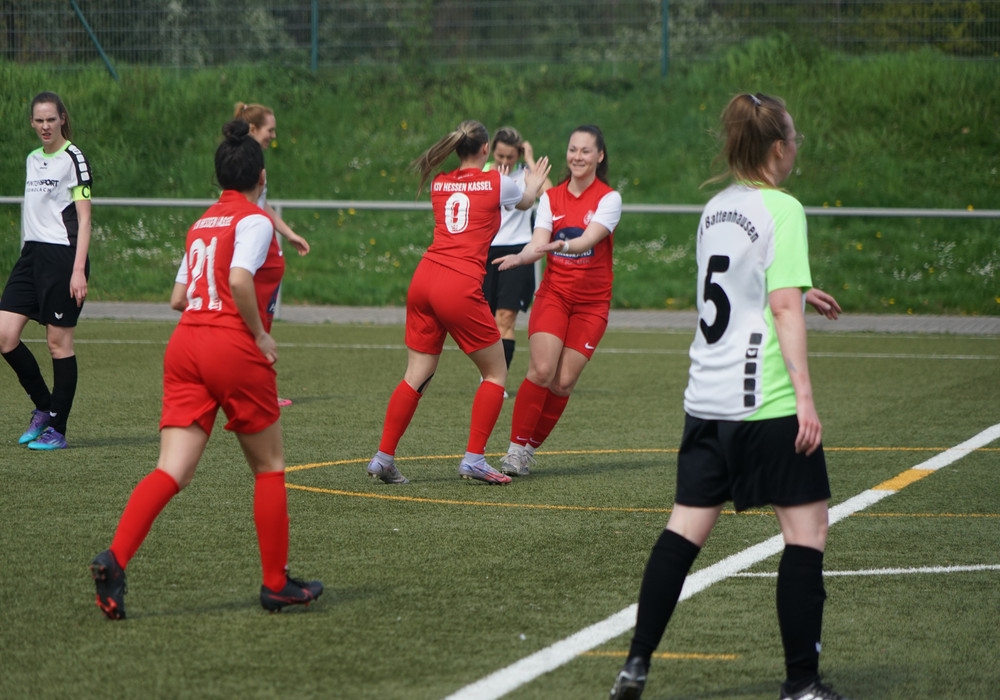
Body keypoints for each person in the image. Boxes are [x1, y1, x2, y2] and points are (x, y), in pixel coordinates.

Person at [608, 93, 847, 700]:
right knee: (807, 532)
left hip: (706, 396)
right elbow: (781, 308)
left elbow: (739, 282)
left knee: (684, 530)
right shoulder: (783, 208)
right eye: (794, 140)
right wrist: (805, 398)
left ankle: (635, 663)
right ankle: (802, 684)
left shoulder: (715, 209)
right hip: (764, 399)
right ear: (778, 148)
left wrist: (800, 286)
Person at [89, 120, 322, 620]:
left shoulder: (202, 223)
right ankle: (276, 584)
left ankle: (115, 558)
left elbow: (178, 297)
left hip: (186, 344)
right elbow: (239, 280)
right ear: (261, 178)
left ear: (219, 178)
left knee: (171, 470)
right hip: (230, 345)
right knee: (269, 467)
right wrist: (259, 335)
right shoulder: (255, 220)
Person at [366, 120, 550, 486]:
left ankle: (383, 457)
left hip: (425, 278)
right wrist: (532, 183)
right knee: (495, 373)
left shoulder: (440, 182)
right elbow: (526, 201)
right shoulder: (496, 181)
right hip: (458, 282)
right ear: (485, 150)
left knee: (416, 374)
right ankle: (474, 459)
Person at [492, 125, 622, 477]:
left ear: (599, 156)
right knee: (542, 371)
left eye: (585, 151)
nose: (577, 157)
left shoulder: (609, 199)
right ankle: (514, 450)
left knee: (563, 383)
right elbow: (538, 242)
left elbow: (588, 239)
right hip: (555, 295)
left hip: (592, 305)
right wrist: (521, 257)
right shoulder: (552, 197)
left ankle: (528, 450)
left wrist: (565, 245)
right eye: (573, 149)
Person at [0, 92, 92, 451]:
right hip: (31, 257)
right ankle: (44, 407)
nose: (45, 126)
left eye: (51, 119)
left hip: (63, 258)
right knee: (5, 336)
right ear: (32, 122)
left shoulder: (73, 157)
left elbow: (84, 219)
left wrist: (78, 270)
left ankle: (58, 428)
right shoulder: (32, 158)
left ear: (62, 119)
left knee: (58, 344)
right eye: (39, 120)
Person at [234, 102, 309, 408]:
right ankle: (256, 389)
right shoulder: (242, 162)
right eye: (270, 130)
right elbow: (240, 204)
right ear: (253, 128)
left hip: (266, 251)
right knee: (254, 324)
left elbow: (261, 204)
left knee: (260, 323)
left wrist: (288, 233)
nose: (273, 136)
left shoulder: (252, 159)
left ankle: (256, 386)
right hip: (257, 253)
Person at [482, 127, 553, 394]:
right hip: (485, 251)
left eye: (510, 157)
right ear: (491, 151)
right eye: (500, 155)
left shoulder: (525, 174)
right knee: (486, 321)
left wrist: (530, 160)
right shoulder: (483, 174)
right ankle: (487, 374)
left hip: (518, 251)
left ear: (518, 155)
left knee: (505, 318)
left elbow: (551, 195)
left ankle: (496, 382)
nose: (504, 161)